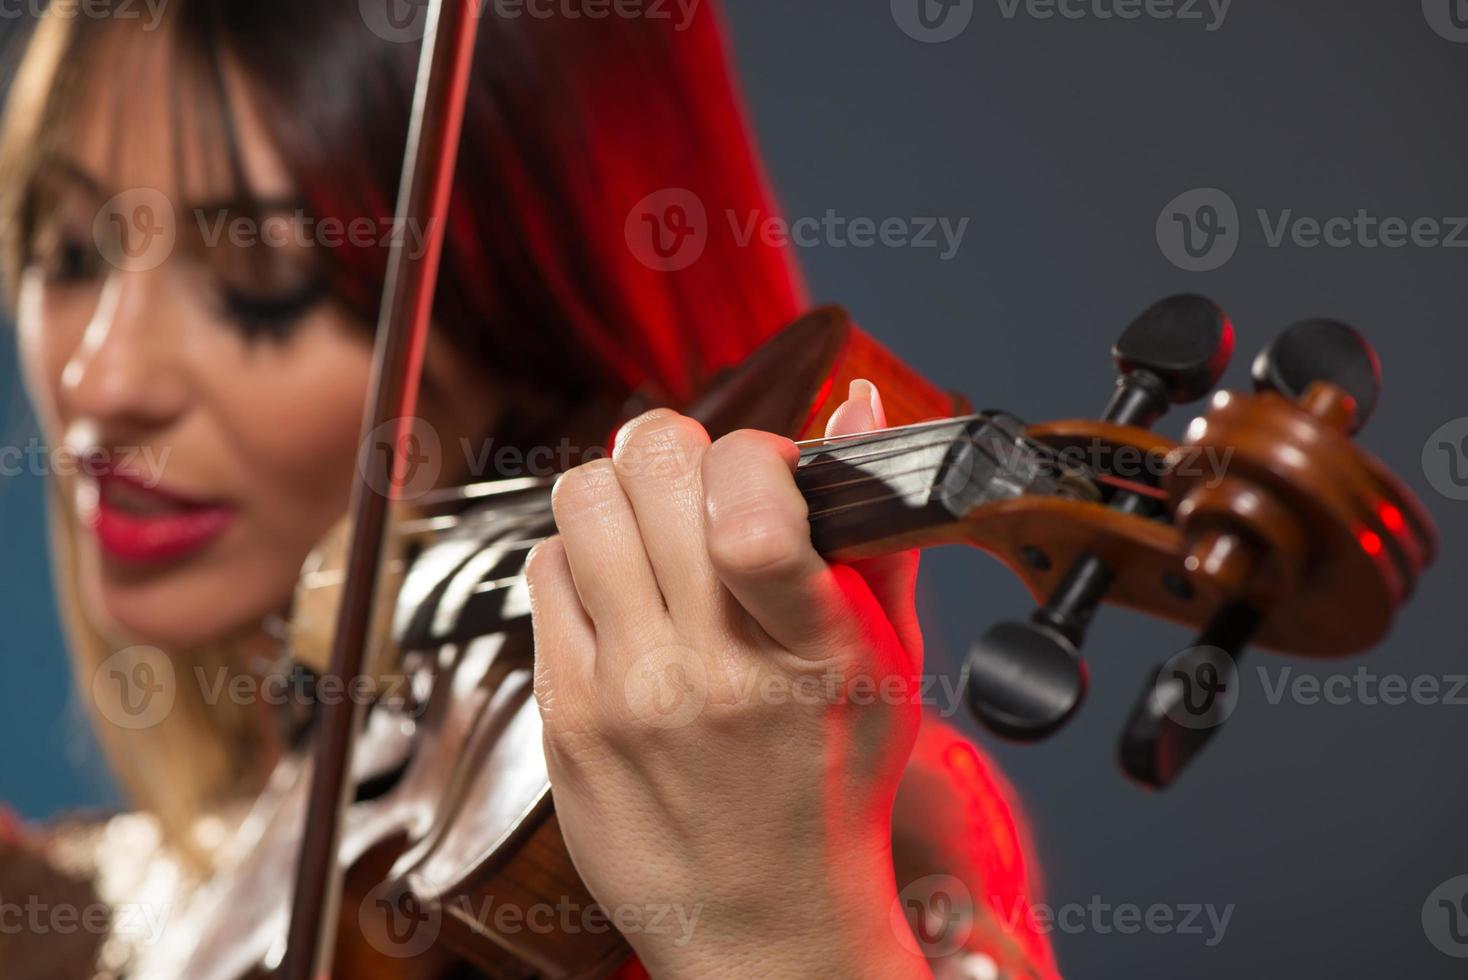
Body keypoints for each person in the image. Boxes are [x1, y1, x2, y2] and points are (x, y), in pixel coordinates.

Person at [0, 1, 1059, 977]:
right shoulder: (128, 889)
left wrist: (782, 928)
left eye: (259, 287)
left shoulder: (861, 833)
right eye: (69, 248)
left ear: (526, 319)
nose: (101, 376)